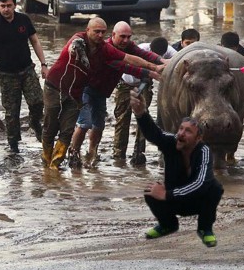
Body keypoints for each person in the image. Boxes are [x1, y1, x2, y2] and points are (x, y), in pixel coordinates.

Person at [43, 18, 163, 169]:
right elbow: (125, 66)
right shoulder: (86, 42)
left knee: (92, 127)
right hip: (72, 88)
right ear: (112, 35)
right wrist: (152, 72)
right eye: (96, 31)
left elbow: (133, 57)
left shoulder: (106, 48)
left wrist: (158, 64)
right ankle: (63, 155)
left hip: (92, 93)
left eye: (102, 32)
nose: (99, 35)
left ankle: (85, 156)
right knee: (72, 124)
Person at [130, 90, 223, 248]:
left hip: (196, 201)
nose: (181, 133)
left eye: (188, 131)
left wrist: (167, 194)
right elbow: (155, 134)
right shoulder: (172, 142)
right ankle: (168, 225)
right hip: (175, 200)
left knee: (214, 188)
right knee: (150, 190)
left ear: (198, 138)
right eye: (180, 129)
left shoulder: (204, 151)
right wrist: (141, 114)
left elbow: (201, 184)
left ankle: (205, 229)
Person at [0, 0, 48, 153]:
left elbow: (35, 41)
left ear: (15, 5)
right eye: (2, 6)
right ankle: (13, 145)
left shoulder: (23, 20)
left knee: (38, 101)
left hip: (27, 69)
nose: (6, 9)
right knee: (12, 113)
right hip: (6, 74)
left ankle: (34, 122)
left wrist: (44, 64)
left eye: (9, 6)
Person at [113, 36, 176, 164]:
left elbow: (179, 61)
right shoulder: (140, 50)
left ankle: (139, 154)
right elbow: (127, 65)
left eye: (160, 55)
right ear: (150, 49)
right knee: (122, 119)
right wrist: (152, 70)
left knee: (143, 118)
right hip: (126, 84)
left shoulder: (170, 52)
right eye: (154, 55)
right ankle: (119, 155)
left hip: (145, 85)